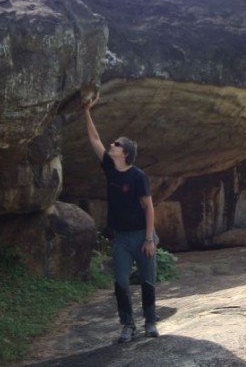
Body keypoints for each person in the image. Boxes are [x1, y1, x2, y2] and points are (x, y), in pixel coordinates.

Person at [83, 93, 159, 343]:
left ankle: (150, 322)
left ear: (124, 153)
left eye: (115, 144)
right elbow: (94, 139)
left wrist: (149, 239)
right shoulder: (109, 167)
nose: (111, 146)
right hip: (121, 238)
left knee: (147, 281)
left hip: (142, 235)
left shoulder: (138, 177)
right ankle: (128, 325)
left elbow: (149, 208)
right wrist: (86, 111)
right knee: (121, 282)